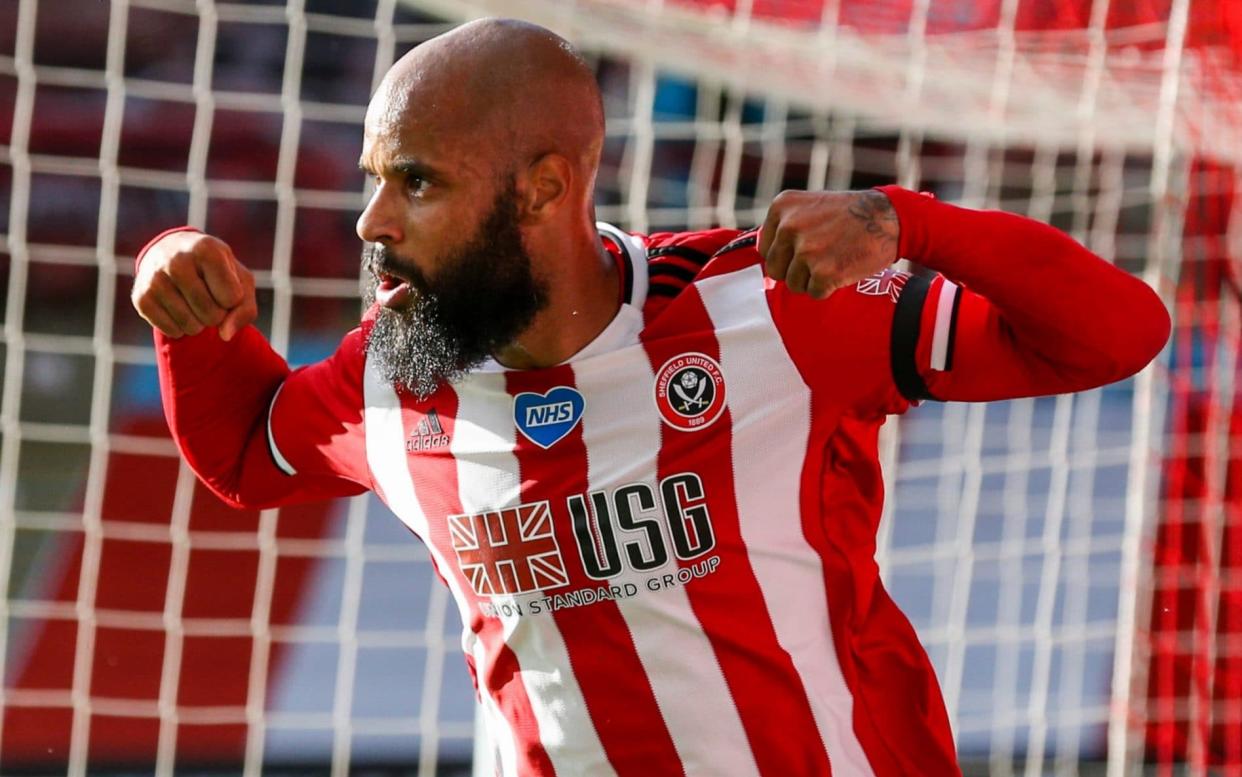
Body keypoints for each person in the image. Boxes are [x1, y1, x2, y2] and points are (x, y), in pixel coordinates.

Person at [130, 17, 1170, 777]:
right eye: (372, 179)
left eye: (417, 181)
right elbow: (243, 455)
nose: (371, 221)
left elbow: (1118, 334)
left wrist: (913, 224)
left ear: (542, 185)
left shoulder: (772, 309)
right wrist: (180, 295)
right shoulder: (392, 374)